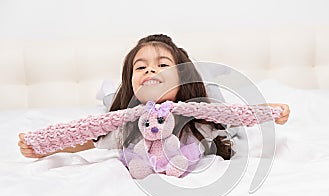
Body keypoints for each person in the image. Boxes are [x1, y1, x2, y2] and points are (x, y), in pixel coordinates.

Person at [18, 34, 290, 160]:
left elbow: (233, 117)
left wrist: (270, 111)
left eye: (163, 65)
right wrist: (46, 148)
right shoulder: (128, 127)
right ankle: (110, 94)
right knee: (108, 107)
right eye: (141, 67)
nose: (151, 69)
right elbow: (87, 140)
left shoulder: (198, 119)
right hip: (123, 112)